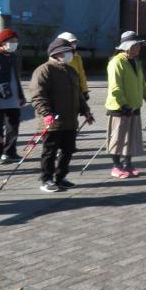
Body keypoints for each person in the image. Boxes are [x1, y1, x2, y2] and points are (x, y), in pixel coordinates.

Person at [30, 37, 95, 192]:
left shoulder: (71, 71)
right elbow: (37, 95)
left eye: (70, 52)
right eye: (67, 52)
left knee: (68, 150)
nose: (70, 55)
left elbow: (78, 94)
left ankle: (61, 177)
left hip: (70, 120)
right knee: (50, 152)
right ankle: (46, 179)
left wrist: (85, 111)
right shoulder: (44, 70)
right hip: (52, 121)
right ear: (57, 53)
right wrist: (46, 113)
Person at [104, 31, 146, 178]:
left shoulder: (136, 63)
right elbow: (115, 87)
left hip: (134, 107)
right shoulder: (116, 62)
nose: (138, 48)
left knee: (131, 140)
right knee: (117, 139)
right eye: (135, 45)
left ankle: (127, 165)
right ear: (126, 46)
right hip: (119, 108)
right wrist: (123, 105)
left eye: (139, 45)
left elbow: (142, 86)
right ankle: (116, 167)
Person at [0, 28, 26, 164]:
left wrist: (21, 95)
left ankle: (10, 152)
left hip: (13, 100)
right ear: (2, 43)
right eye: (11, 41)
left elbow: (16, 79)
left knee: (13, 127)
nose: (14, 44)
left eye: (16, 41)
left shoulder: (13, 57)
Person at [56, 32, 89, 100]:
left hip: (76, 90)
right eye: (71, 42)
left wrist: (84, 90)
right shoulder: (56, 57)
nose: (74, 44)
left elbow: (81, 74)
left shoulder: (77, 57)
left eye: (75, 42)